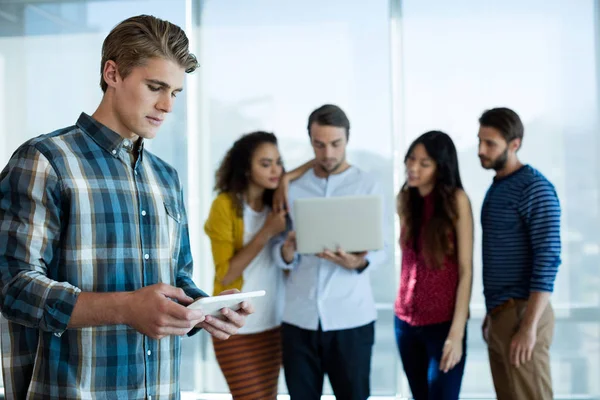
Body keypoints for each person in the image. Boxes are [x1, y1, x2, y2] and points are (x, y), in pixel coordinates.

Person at [0, 15, 252, 399]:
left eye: (176, 93)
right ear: (113, 73)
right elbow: (12, 286)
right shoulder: (45, 161)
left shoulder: (166, 177)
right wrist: (125, 308)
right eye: (155, 87)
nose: (167, 105)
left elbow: (177, 279)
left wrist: (202, 310)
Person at [271, 104, 387, 400]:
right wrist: (286, 251)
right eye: (319, 145)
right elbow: (278, 250)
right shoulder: (292, 187)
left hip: (351, 320)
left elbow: (383, 248)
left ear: (347, 139)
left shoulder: (368, 184)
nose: (328, 154)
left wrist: (358, 262)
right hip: (299, 319)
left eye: (335, 144)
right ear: (310, 141)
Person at [204, 131, 312, 399]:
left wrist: (286, 179)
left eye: (278, 162)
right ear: (246, 169)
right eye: (265, 164)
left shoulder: (276, 206)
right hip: (233, 325)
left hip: (273, 325)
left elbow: (314, 164)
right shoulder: (225, 206)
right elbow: (226, 274)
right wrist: (266, 231)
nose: (275, 170)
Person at [478, 107, 561, 400]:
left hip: (525, 314)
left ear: (514, 144)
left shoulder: (535, 188)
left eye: (490, 144)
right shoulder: (498, 188)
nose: (481, 150)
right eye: (480, 141)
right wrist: (492, 313)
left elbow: (548, 258)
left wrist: (529, 328)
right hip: (502, 314)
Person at [394, 131, 473, 400]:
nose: (413, 168)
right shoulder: (405, 199)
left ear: (441, 168)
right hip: (405, 321)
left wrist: (457, 333)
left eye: (424, 163)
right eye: (411, 159)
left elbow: (466, 270)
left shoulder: (457, 201)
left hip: (443, 323)